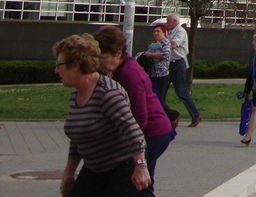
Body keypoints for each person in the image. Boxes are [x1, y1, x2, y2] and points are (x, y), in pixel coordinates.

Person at [54, 33, 151, 197]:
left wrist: (141, 166)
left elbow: (134, 132)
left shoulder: (108, 93)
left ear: (76, 65)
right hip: (94, 168)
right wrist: (69, 173)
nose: (56, 70)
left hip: (123, 168)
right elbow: (78, 137)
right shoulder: (76, 95)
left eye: (59, 65)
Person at [94, 25, 174, 193]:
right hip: (154, 132)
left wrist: (127, 145)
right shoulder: (122, 68)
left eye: (103, 57)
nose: (99, 62)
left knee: (133, 181)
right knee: (142, 185)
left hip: (154, 133)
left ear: (117, 53)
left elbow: (140, 116)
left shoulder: (129, 73)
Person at [165, 14, 201, 127]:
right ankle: (167, 116)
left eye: (168, 21)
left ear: (175, 21)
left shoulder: (180, 31)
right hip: (168, 64)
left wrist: (163, 42)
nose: (167, 23)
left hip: (178, 64)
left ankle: (195, 115)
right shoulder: (169, 32)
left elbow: (174, 44)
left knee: (181, 91)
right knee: (160, 92)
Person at [143, 24, 172, 116]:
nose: (156, 33)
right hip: (153, 74)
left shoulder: (165, 43)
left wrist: (151, 55)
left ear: (164, 32)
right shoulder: (153, 44)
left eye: (158, 31)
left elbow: (164, 55)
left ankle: (172, 115)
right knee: (155, 98)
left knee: (160, 99)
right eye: (154, 31)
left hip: (162, 75)